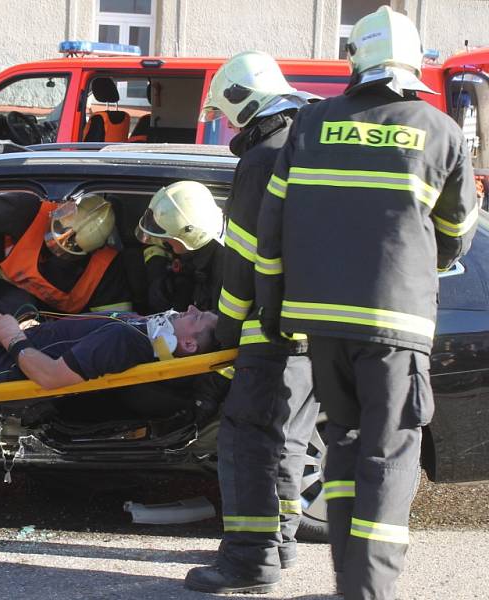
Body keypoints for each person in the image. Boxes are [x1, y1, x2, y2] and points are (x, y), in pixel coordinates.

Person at [255, 7, 477, 599]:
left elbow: (271, 232)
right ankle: (369, 592)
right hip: (394, 325)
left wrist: (274, 309)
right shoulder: (439, 130)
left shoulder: (308, 124)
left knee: (348, 447)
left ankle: (353, 582)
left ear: (355, 61)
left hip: (320, 324)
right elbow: (456, 232)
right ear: (413, 65)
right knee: (391, 456)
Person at [184, 52, 320, 594]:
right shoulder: (309, 142)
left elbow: (242, 256)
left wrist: (229, 331)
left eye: (227, 112)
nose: (228, 125)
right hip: (317, 327)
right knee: (288, 438)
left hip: (271, 326)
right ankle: (281, 539)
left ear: (243, 99)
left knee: (246, 439)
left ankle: (247, 560)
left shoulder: (262, 157)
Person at [0, 192, 132, 350]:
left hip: (24, 304)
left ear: (93, 250)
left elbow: (115, 324)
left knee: (7, 313)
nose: (56, 248)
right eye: (56, 238)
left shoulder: (106, 270)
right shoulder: (29, 209)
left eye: (67, 251)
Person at [0, 305, 218, 389]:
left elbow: (50, 377)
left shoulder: (128, 341)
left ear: (189, 344)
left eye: (198, 317)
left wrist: (11, 337)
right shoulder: (139, 330)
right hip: (10, 349)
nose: (191, 308)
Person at [138, 180, 225, 313]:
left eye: (168, 236)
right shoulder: (198, 251)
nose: (162, 240)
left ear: (189, 235)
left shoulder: (224, 269)